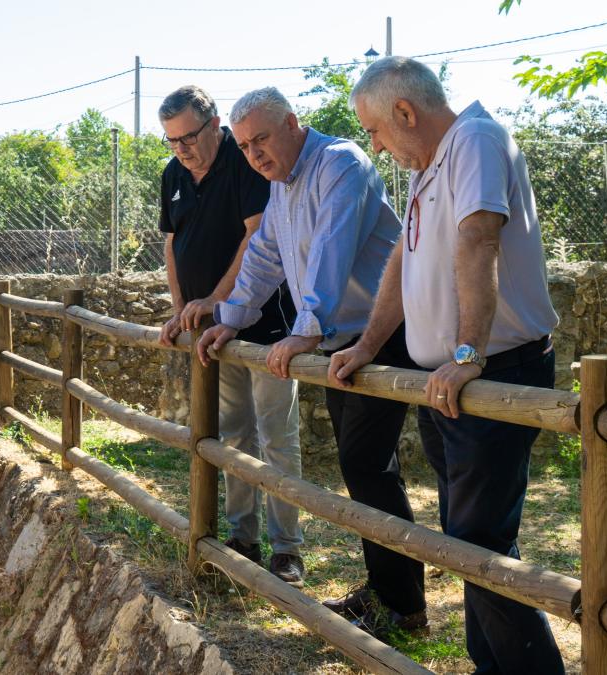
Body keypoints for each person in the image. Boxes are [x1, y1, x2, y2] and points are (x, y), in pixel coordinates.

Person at [331, 55, 565, 673]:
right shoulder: (428, 163)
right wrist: (366, 343)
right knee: (469, 543)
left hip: (493, 371)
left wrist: (467, 355)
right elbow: (403, 265)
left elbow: (479, 238)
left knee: (479, 545)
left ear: (405, 112)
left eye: (377, 130)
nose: (376, 147)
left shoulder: (476, 140)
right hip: (450, 381)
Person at [196, 86, 427, 636]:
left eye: (262, 140)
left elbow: (333, 246)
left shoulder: (341, 163)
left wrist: (306, 328)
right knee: (365, 468)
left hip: (385, 333)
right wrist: (231, 316)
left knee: (368, 466)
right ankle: (390, 595)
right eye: (246, 146)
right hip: (341, 340)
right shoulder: (283, 187)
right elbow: (265, 257)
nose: (254, 155)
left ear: (293, 123)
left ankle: (404, 608)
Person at [156, 85, 305, 585]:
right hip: (209, 335)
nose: (182, 148)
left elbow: (257, 238)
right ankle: (245, 538)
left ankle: (288, 549)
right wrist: (183, 311)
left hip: (266, 330)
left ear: (214, 123)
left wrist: (216, 303)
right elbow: (173, 246)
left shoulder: (246, 164)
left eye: (189, 137)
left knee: (276, 437)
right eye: (171, 140)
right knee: (234, 434)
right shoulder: (173, 175)